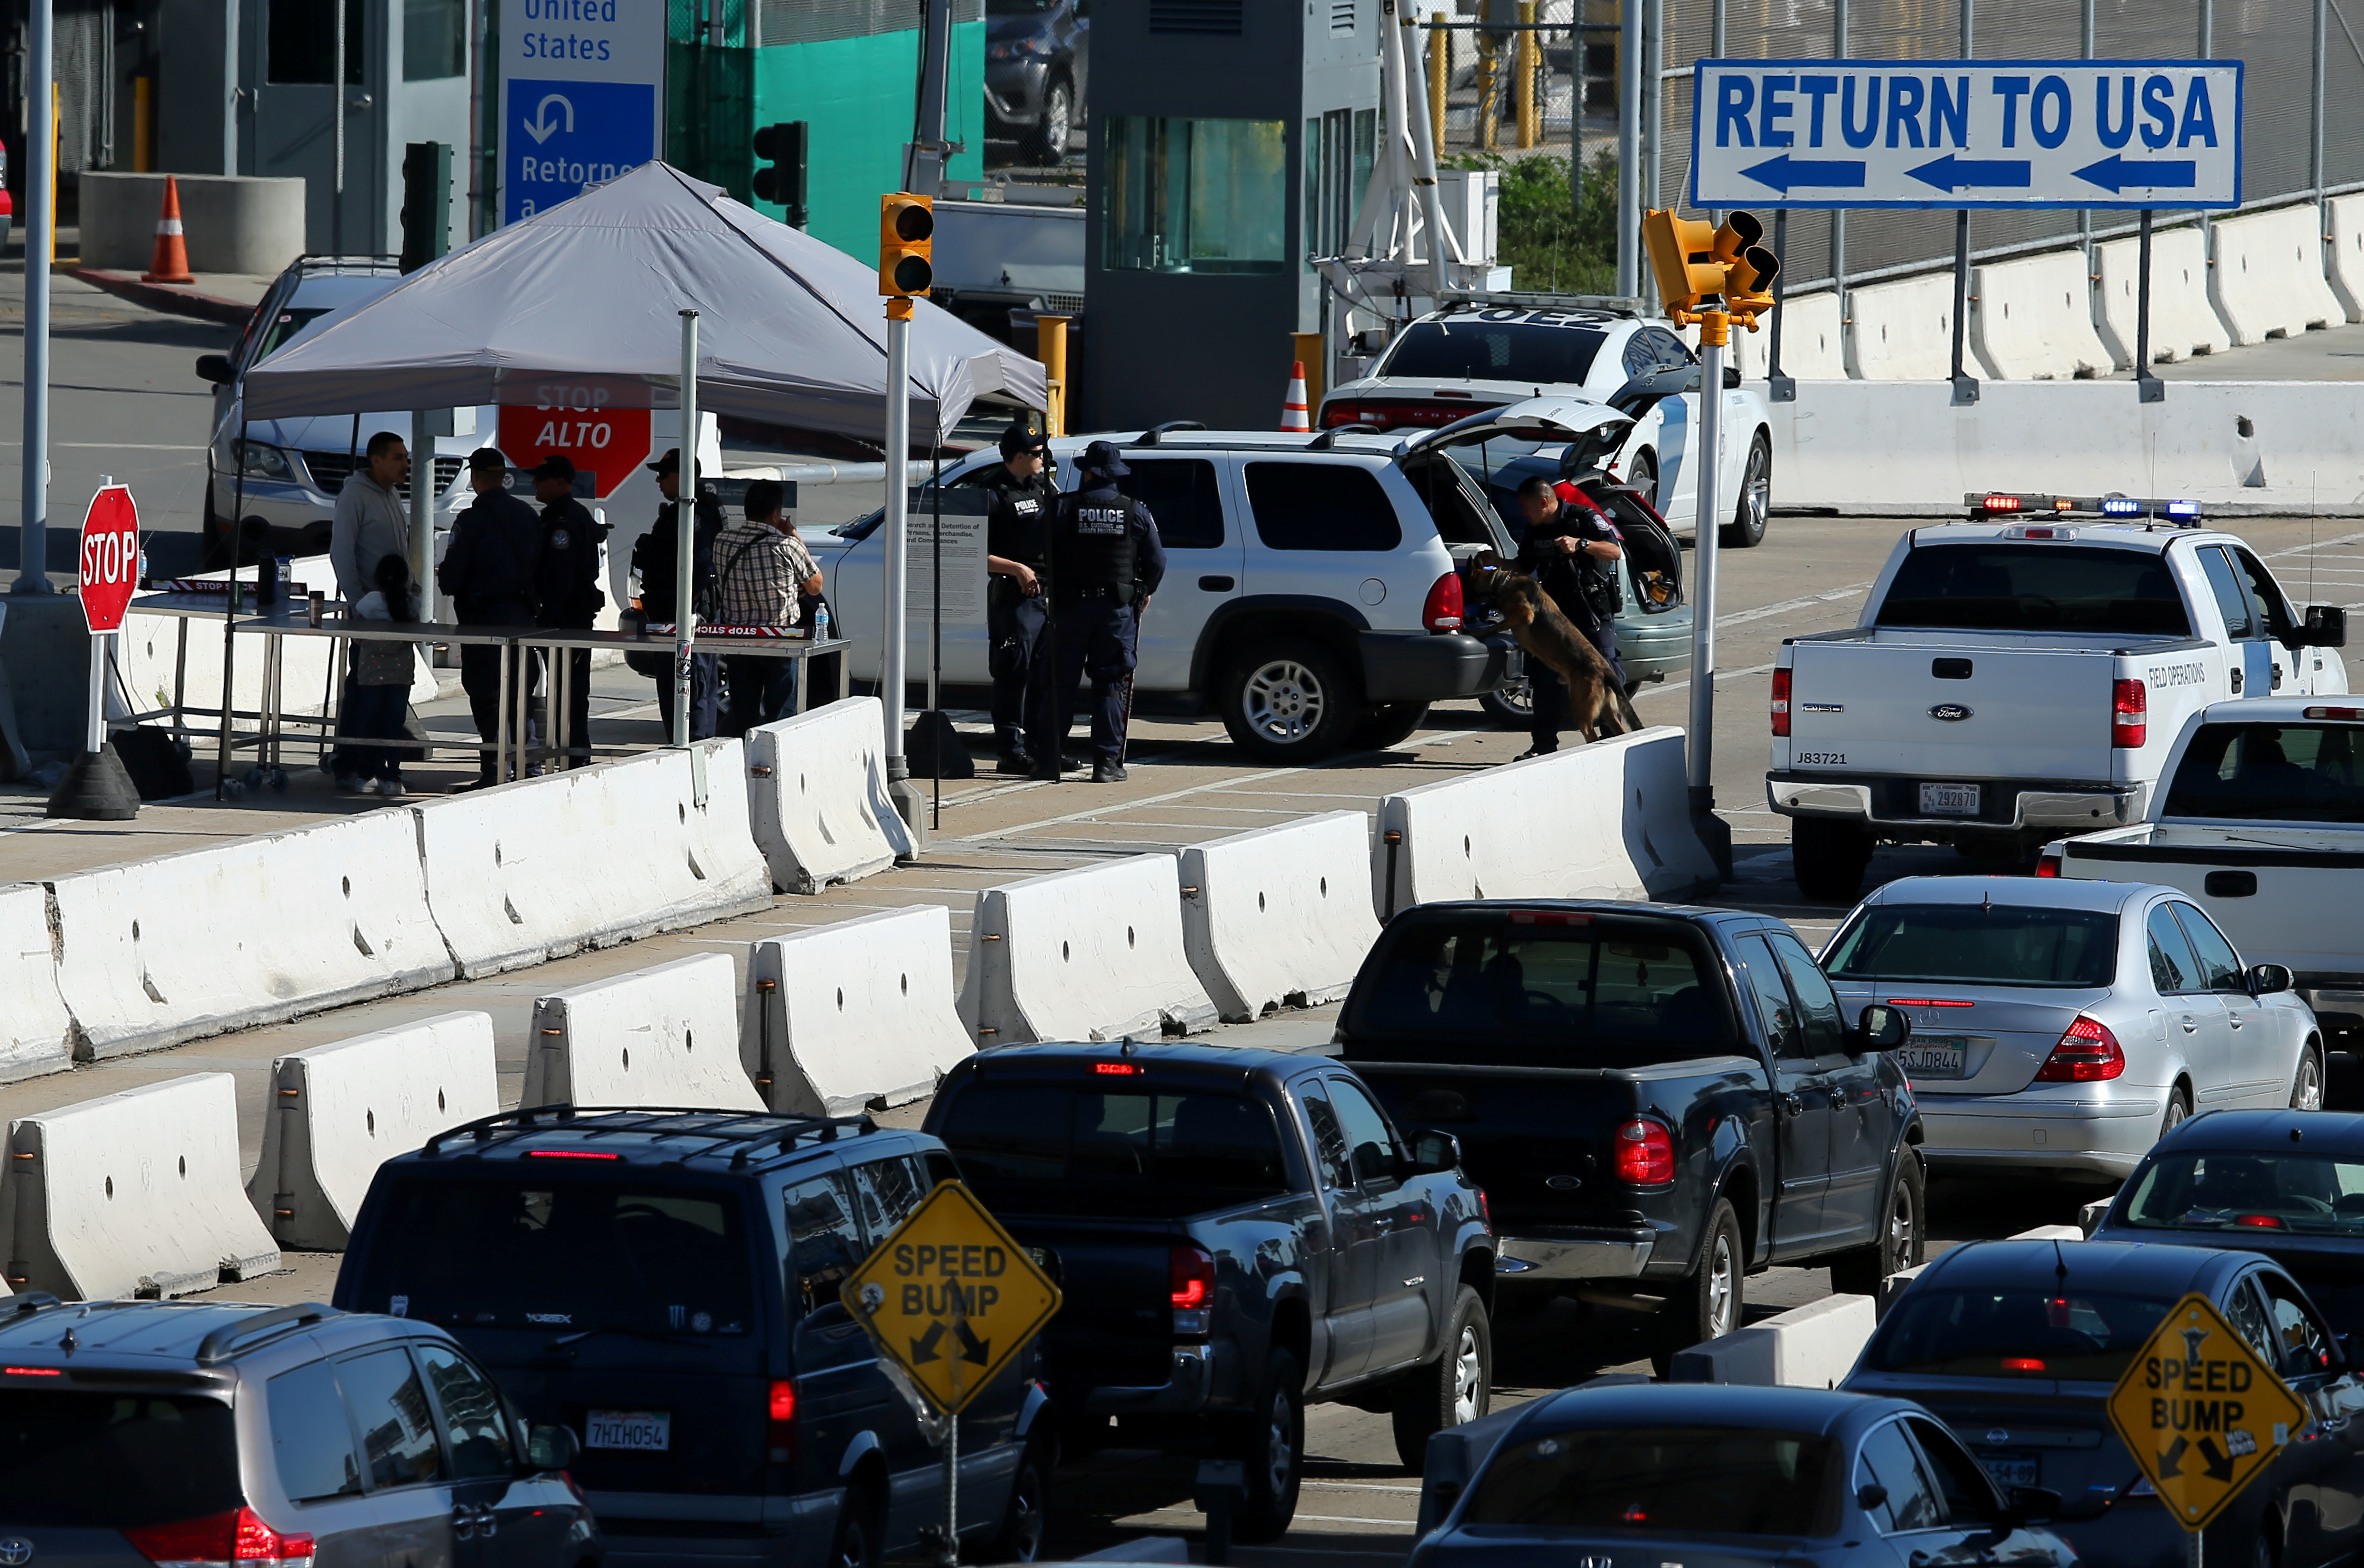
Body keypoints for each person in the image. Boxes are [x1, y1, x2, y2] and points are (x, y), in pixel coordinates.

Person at [1025, 439, 1164, 785]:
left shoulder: (1061, 507)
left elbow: (1032, 544)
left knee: (1059, 684)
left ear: (1087, 473)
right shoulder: (1135, 511)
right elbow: (1157, 562)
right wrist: (1144, 590)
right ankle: (1106, 763)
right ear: (1116, 475)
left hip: (1070, 609)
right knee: (1111, 684)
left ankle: (1049, 761)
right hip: (1116, 612)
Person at [437, 446, 543, 788]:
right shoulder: (527, 514)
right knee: (521, 693)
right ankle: (529, 766)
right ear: (502, 476)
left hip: (483, 621)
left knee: (488, 695)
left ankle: (496, 771)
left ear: (475, 476)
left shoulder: (472, 519)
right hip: (523, 617)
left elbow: (451, 578)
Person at [1513, 473, 1624, 759]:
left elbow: (1615, 551)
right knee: (1544, 678)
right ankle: (1543, 746)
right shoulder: (1533, 530)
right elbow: (1523, 566)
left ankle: (1614, 742)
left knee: (1604, 672)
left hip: (1591, 611)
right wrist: (1495, 563)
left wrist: (1582, 544)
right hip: (1556, 618)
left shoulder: (1583, 518)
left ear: (1543, 502)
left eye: (1526, 507)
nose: (1523, 513)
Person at [325, 430, 412, 791]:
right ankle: (352, 764)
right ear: (376, 460)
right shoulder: (355, 496)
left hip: (395, 614)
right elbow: (342, 553)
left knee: (387, 696)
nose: (405, 464)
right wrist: (359, 602)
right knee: (364, 692)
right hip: (368, 615)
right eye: (397, 457)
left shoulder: (391, 496)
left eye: (405, 457)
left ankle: (372, 763)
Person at [711, 478, 824, 736]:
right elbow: (816, 585)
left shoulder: (723, 541)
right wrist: (792, 533)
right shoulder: (786, 545)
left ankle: (741, 761)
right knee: (780, 713)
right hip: (779, 640)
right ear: (776, 514)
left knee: (742, 711)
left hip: (739, 639)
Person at [632, 447, 725, 741]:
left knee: (690, 688)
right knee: (689, 688)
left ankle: (691, 749)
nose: (658, 481)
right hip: (675, 613)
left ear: (682, 476)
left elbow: (699, 563)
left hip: (685, 615)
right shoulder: (685, 510)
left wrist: (688, 610)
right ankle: (688, 744)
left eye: (663, 474)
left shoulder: (695, 511)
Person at [980, 422, 1057, 775]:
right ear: (1021, 456)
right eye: (1039, 453)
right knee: (1014, 673)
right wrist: (1017, 569)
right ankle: (1010, 751)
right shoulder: (993, 493)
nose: (1045, 458)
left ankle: (1041, 748)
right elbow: (971, 552)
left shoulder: (1043, 486)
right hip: (1014, 598)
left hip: (1046, 596)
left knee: (1044, 673)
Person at [531, 455, 609, 768]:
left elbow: (560, 576)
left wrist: (549, 614)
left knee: (571, 693)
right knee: (567, 692)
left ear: (561, 482)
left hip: (567, 618)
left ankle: (575, 757)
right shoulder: (560, 516)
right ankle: (572, 754)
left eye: (542, 478)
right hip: (566, 617)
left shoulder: (565, 520)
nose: (535, 483)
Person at [341, 553, 421, 797]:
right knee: (393, 725)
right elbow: (416, 634)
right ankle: (393, 777)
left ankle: (366, 775)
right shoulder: (412, 603)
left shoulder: (368, 602)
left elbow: (357, 636)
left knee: (370, 723)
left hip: (370, 675)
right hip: (401, 674)